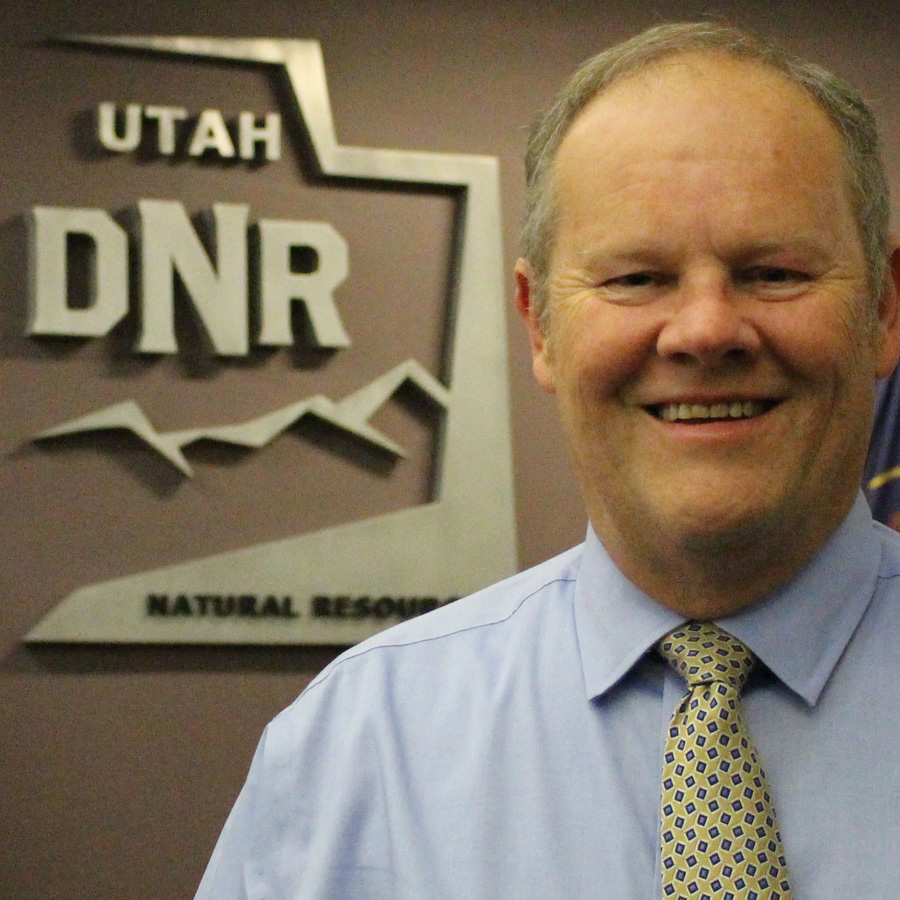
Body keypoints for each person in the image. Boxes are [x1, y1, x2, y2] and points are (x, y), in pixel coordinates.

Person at [194, 22, 900, 900]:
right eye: (636, 279)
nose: (706, 330)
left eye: (775, 271)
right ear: (539, 324)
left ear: (883, 306)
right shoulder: (359, 744)